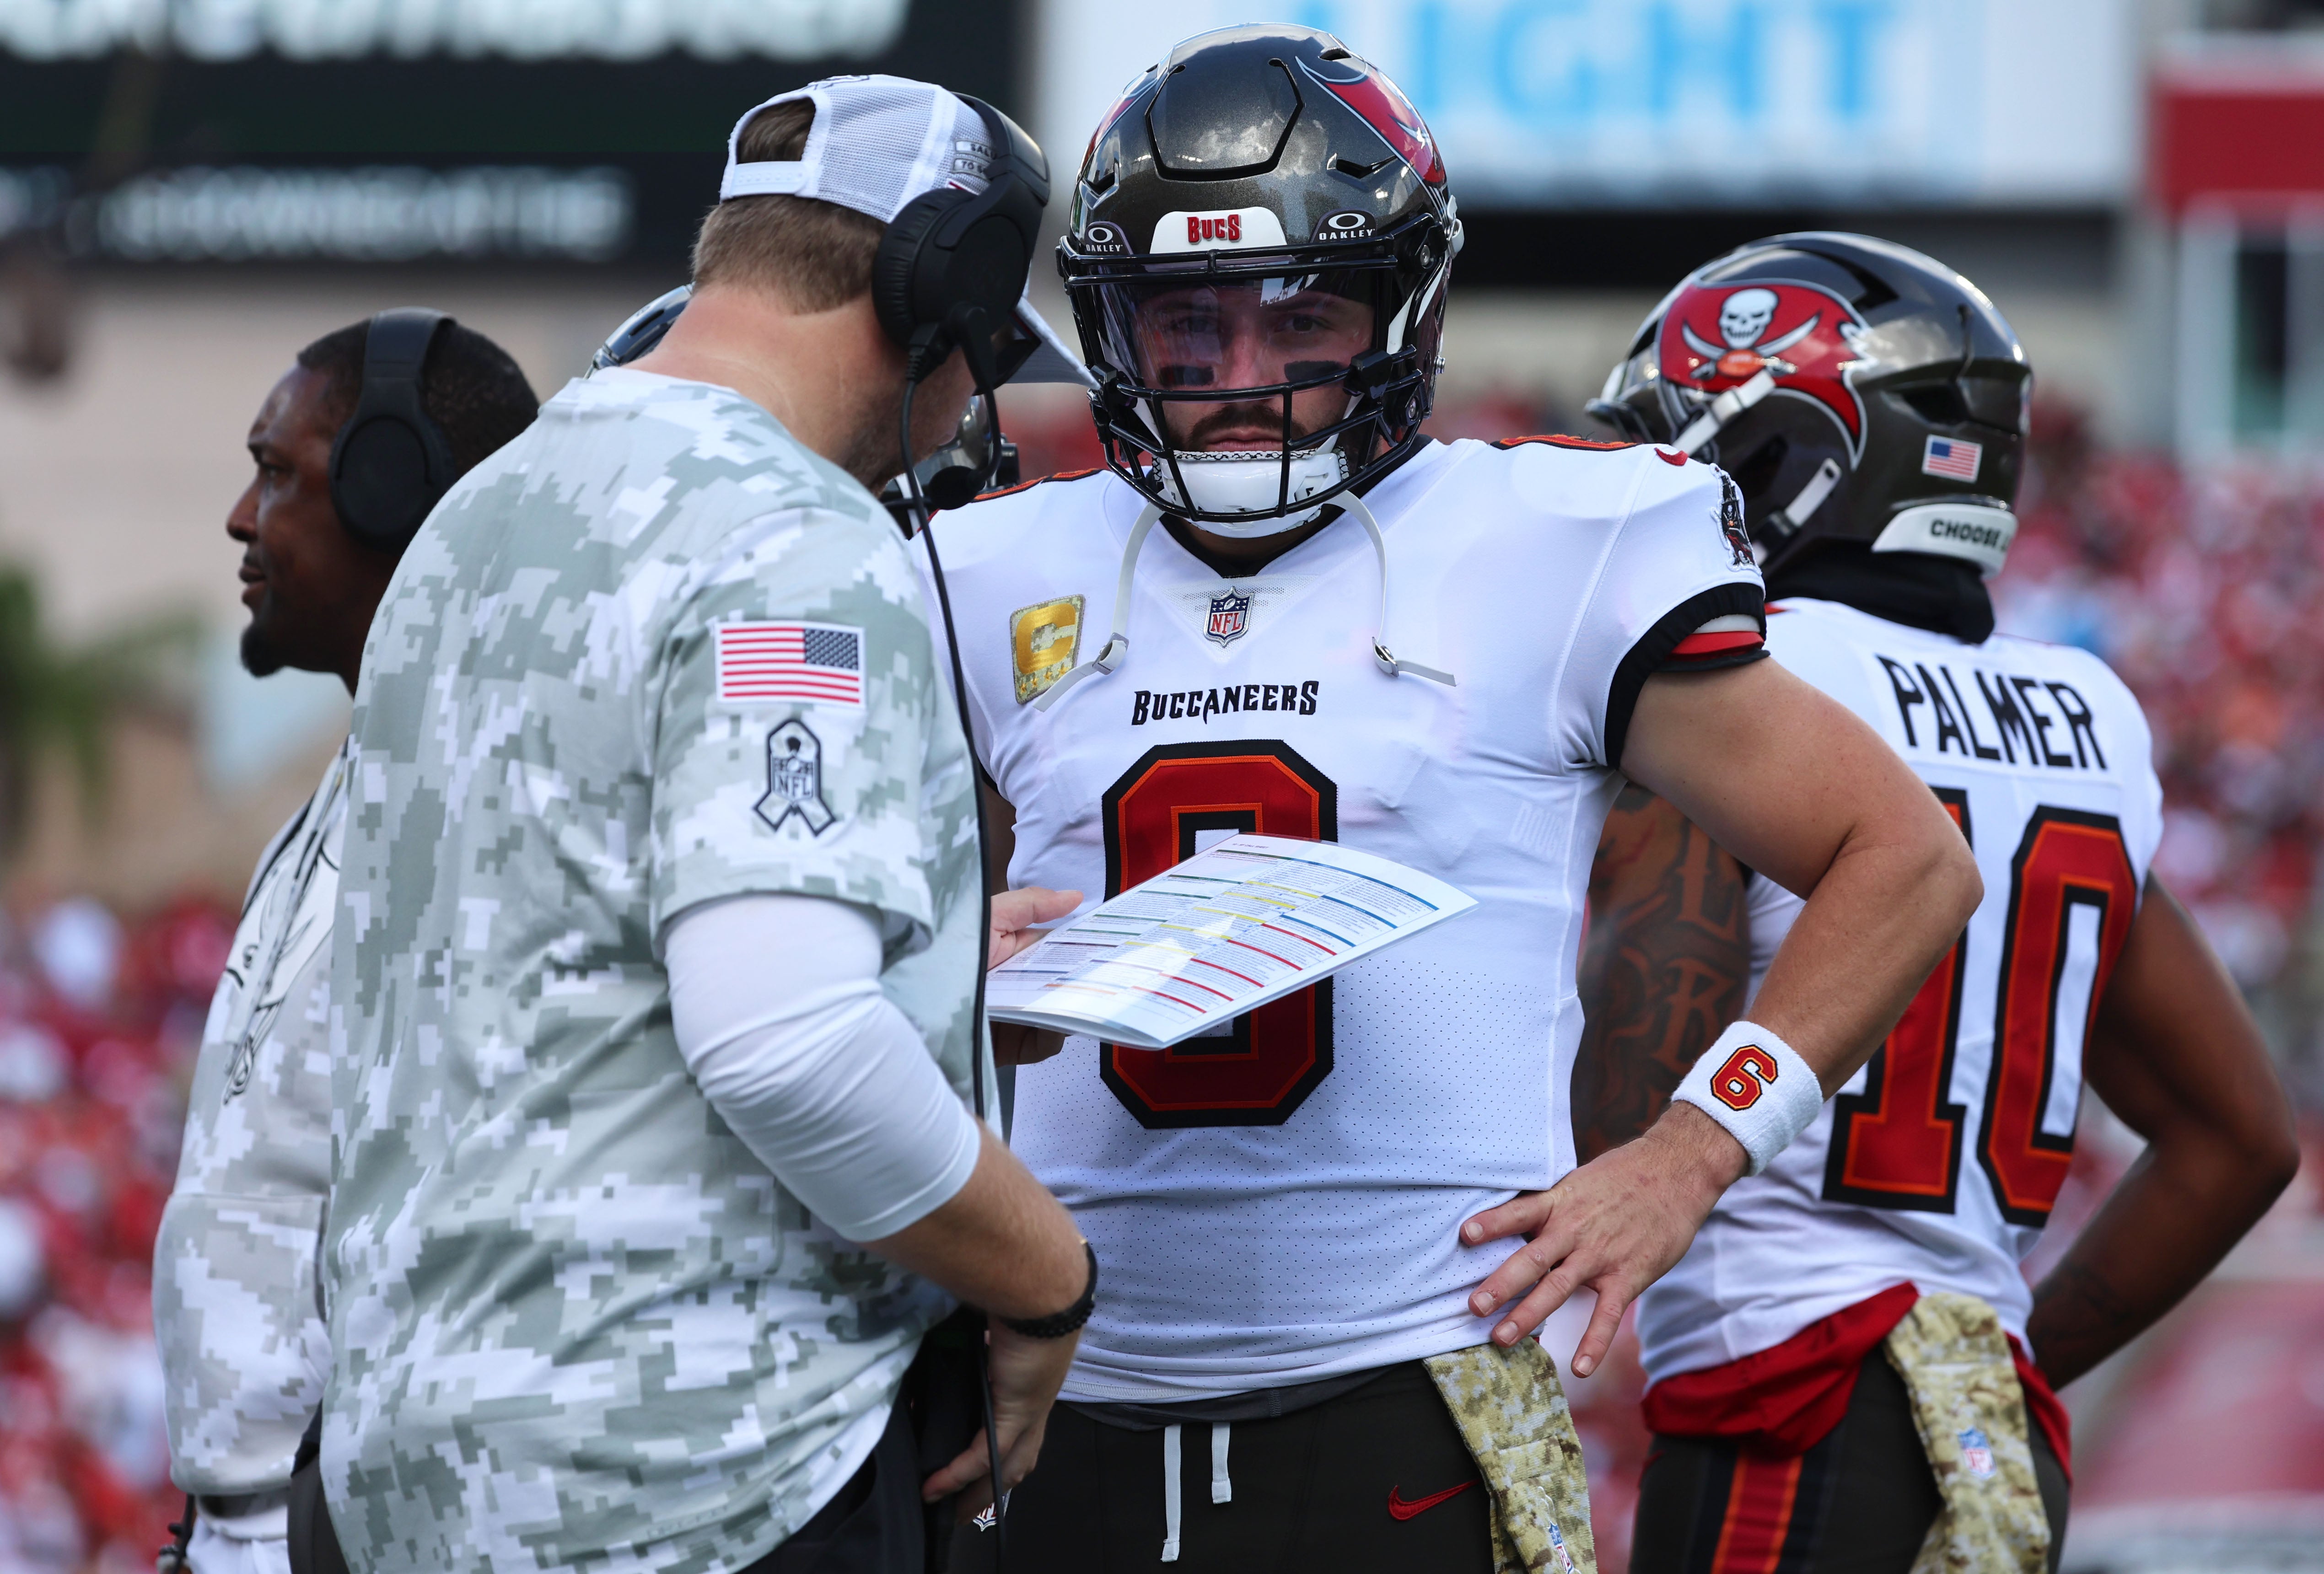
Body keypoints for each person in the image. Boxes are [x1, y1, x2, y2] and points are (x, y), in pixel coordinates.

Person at [919, 28, 1982, 1574]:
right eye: (1184, 324)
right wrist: (960, 978)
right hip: (1061, 1388)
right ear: (1108, 327)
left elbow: (1905, 856)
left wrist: (1692, 1150)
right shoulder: (991, 565)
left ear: (1401, 307)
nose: (1233, 380)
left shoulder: (1548, 539)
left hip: (1408, 1387)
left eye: (1301, 316)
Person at [319, 76, 1096, 1574]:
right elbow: (787, 1042)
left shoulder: (476, 518)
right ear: (945, 288)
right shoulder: (794, 532)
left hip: (414, 1477)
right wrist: (1049, 1280)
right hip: (696, 1475)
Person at [1580, 232, 2302, 1574]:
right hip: (1987, 1426)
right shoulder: (2085, 714)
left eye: (1680, 451)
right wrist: (1997, 1336)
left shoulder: (1746, 685)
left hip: (1781, 1403)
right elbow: (2239, 1134)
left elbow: (1617, 1119)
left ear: (1792, 463)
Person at [152, 311, 540, 1574]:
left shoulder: (499, 797)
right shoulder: (367, 772)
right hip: (253, 1527)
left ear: (391, 490)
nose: (237, 517)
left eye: (277, 472)